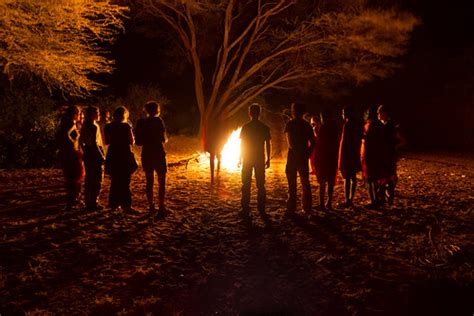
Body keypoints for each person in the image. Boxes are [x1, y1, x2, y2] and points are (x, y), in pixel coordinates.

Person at [135, 101, 168, 217]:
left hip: (147, 153)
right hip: (158, 152)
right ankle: (161, 206)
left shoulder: (141, 122)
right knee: (161, 181)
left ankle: (151, 206)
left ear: (146, 110)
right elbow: (163, 139)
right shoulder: (159, 121)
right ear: (157, 110)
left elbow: (138, 142)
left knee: (150, 181)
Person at [239, 103, 271, 220]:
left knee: (246, 184)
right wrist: (268, 158)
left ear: (250, 114)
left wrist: (240, 157)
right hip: (259, 158)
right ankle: (261, 209)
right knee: (261, 185)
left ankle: (245, 208)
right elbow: (268, 144)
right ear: (259, 114)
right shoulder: (264, 127)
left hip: (247, 158)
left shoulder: (245, 127)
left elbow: (242, 144)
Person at [284, 102, 316, 215]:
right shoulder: (307, 125)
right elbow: (313, 143)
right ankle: (307, 207)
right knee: (305, 184)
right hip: (302, 157)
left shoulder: (290, 124)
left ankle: (291, 207)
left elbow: (290, 143)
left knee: (292, 185)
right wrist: (307, 154)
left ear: (293, 111)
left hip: (292, 157)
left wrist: (296, 151)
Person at [104, 106, 137, 211]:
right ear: (124, 115)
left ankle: (113, 204)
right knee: (125, 181)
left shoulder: (108, 126)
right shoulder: (126, 126)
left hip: (113, 153)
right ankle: (126, 205)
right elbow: (132, 141)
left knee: (115, 180)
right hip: (124, 153)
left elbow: (107, 141)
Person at [56, 105, 84, 210]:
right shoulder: (71, 123)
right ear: (75, 114)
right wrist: (73, 143)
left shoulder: (65, 122)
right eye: (78, 113)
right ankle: (73, 200)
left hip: (67, 153)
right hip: (72, 153)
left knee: (71, 178)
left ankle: (72, 199)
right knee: (75, 177)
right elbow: (65, 134)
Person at [377, 105, 405, 207]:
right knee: (387, 176)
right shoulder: (384, 124)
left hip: (388, 155)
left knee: (388, 176)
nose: (378, 114)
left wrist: (392, 147)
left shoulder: (389, 125)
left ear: (385, 113)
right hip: (387, 154)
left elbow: (400, 140)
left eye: (380, 112)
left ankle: (388, 199)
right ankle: (386, 199)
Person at [80, 106, 105, 211]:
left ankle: (88, 202)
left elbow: (81, 141)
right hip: (94, 154)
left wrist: (85, 151)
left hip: (88, 154)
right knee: (97, 178)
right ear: (91, 114)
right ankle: (94, 202)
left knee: (89, 178)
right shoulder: (93, 126)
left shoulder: (85, 125)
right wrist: (101, 155)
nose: (99, 114)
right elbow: (94, 143)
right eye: (97, 112)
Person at [313, 110, 340, 210]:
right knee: (331, 180)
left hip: (324, 157)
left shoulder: (324, 127)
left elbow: (320, 143)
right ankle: (328, 202)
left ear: (323, 117)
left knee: (323, 180)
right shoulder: (335, 126)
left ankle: (321, 203)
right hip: (332, 156)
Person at [338, 106, 362, 208]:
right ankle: (350, 199)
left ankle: (348, 200)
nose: (342, 114)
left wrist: (342, 156)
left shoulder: (348, 124)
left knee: (347, 178)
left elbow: (346, 142)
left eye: (343, 112)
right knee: (353, 177)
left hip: (348, 154)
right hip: (355, 152)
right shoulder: (357, 123)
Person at [361, 106, 385, 209]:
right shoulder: (380, 124)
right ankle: (378, 199)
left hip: (369, 152)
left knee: (370, 178)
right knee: (376, 178)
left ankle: (373, 201)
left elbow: (367, 138)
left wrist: (361, 136)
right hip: (378, 152)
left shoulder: (369, 124)